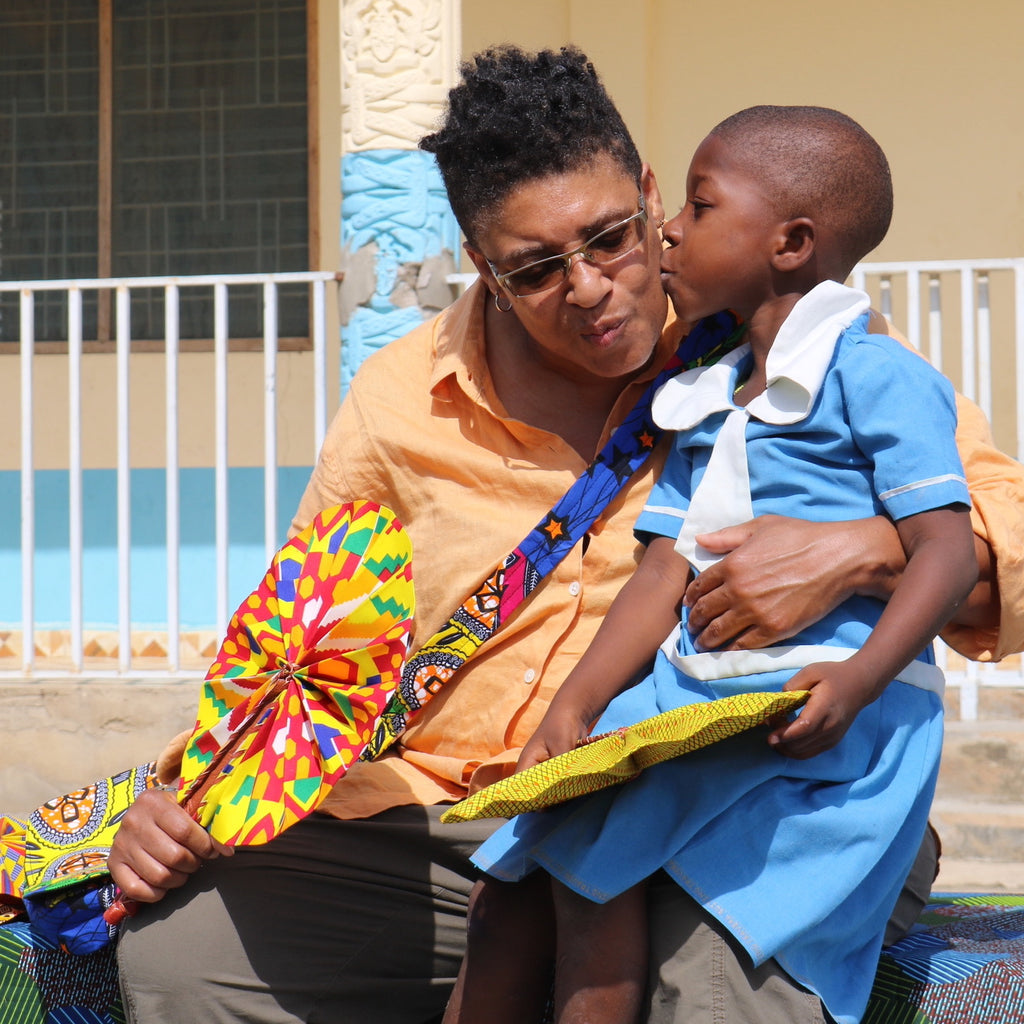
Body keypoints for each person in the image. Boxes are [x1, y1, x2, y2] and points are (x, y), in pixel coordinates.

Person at [108, 48, 1024, 1024]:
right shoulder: (397, 406)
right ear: (479, 263)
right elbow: (310, 640)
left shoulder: (796, 361)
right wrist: (192, 787)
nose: (589, 287)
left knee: (699, 978)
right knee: (184, 960)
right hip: (458, 823)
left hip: (746, 799)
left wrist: (866, 552)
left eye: (610, 239)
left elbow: (1000, 538)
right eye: (537, 269)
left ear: (648, 196)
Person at [445, 105, 977, 1024]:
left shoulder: (875, 376)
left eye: (697, 206)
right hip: (693, 708)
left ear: (791, 242)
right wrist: (576, 702)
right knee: (540, 892)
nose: (670, 233)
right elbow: (662, 575)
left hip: (811, 721)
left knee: (695, 957)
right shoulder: (706, 397)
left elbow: (950, 550)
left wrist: (856, 678)